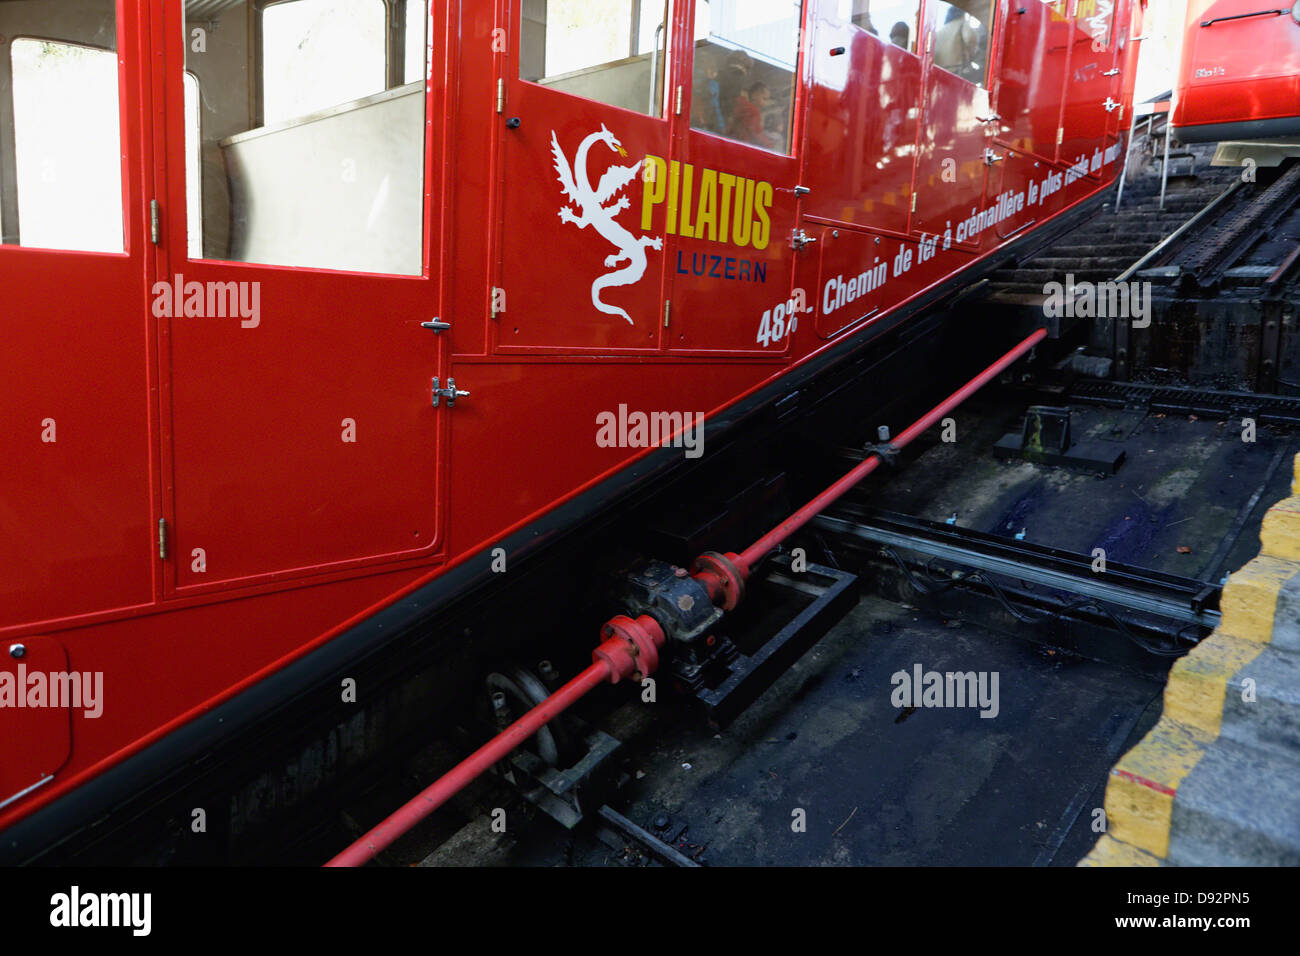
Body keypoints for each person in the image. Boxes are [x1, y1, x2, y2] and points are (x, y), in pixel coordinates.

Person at [727, 82, 779, 150]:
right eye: (764, 99)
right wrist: (768, 145)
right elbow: (755, 133)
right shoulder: (754, 112)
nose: (765, 103)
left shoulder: (741, 105)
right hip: (743, 145)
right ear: (754, 95)